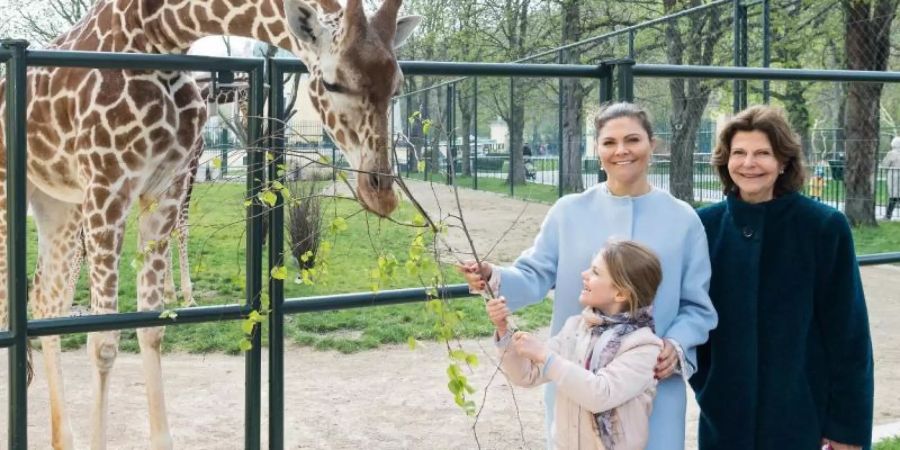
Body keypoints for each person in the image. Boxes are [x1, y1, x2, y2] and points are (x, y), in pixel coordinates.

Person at [460, 102, 717, 450]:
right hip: (575, 377)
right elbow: (533, 274)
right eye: (609, 142)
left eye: (633, 140)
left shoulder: (684, 219)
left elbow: (697, 306)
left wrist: (676, 343)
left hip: (650, 381)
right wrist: (492, 276)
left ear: (652, 145)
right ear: (597, 150)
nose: (621, 150)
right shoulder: (568, 212)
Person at [692, 105, 873, 450]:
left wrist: (846, 427)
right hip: (724, 414)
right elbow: (691, 313)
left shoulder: (822, 227)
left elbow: (849, 335)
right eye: (739, 153)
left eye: (763, 153)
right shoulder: (705, 227)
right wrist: (709, 385)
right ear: (725, 161)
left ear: (784, 162)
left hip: (800, 412)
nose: (749, 163)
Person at [487, 240, 663, 449]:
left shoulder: (644, 347)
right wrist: (503, 330)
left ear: (620, 294)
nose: (584, 274)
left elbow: (600, 395)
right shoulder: (576, 327)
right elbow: (527, 375)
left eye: (596, 272)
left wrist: (546, 356)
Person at [882, 137, 900, 220]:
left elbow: (885, 165)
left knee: (893, 195)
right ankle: (888, 215)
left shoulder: (891, 153)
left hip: (894, 176)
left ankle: (888, 215)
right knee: (896, 195)